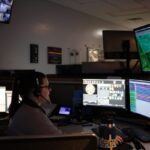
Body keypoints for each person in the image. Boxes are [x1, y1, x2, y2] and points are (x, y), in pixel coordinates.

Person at [7, 71, 62, 136]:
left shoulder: (24, 108)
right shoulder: (32, 114)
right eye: (47, 87)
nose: (50, 89)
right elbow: (58, 138)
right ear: (37, 91)